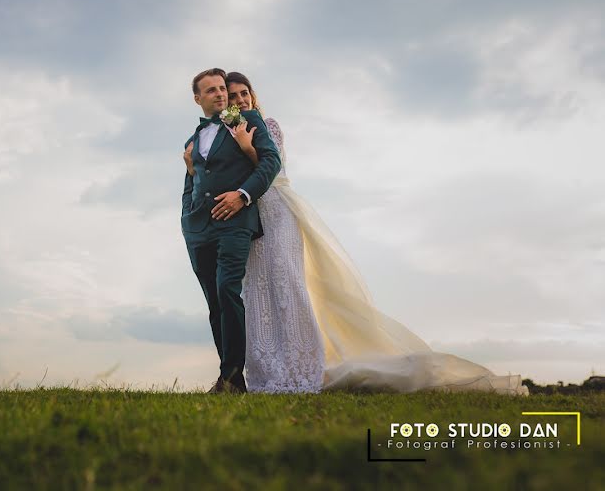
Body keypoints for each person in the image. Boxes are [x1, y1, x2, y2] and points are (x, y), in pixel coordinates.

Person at [186, 71, 528, 395]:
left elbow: (269, 162)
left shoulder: (263, 124)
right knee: (258, 293)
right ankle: (263, 370)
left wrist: (247, 149)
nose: (238, 100)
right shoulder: (227, 128)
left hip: (276, 208)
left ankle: (298, 367)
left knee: (287, 286)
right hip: (248, 217)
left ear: (253, 96)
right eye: (232, 96)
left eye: (243, 94)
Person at [181, 68, 282, 394]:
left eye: (222, 88)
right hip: (198, 229)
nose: (220, 94)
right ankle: (228, 379)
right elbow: (191, 182)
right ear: (198, 99)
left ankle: (233, 377)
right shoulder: (192, 140)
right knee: (214, 302)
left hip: (235, 223)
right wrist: (186, 218)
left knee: (228, 290)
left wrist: (243, 195)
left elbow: (270, 161)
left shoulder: (247, 120)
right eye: (210, 90)